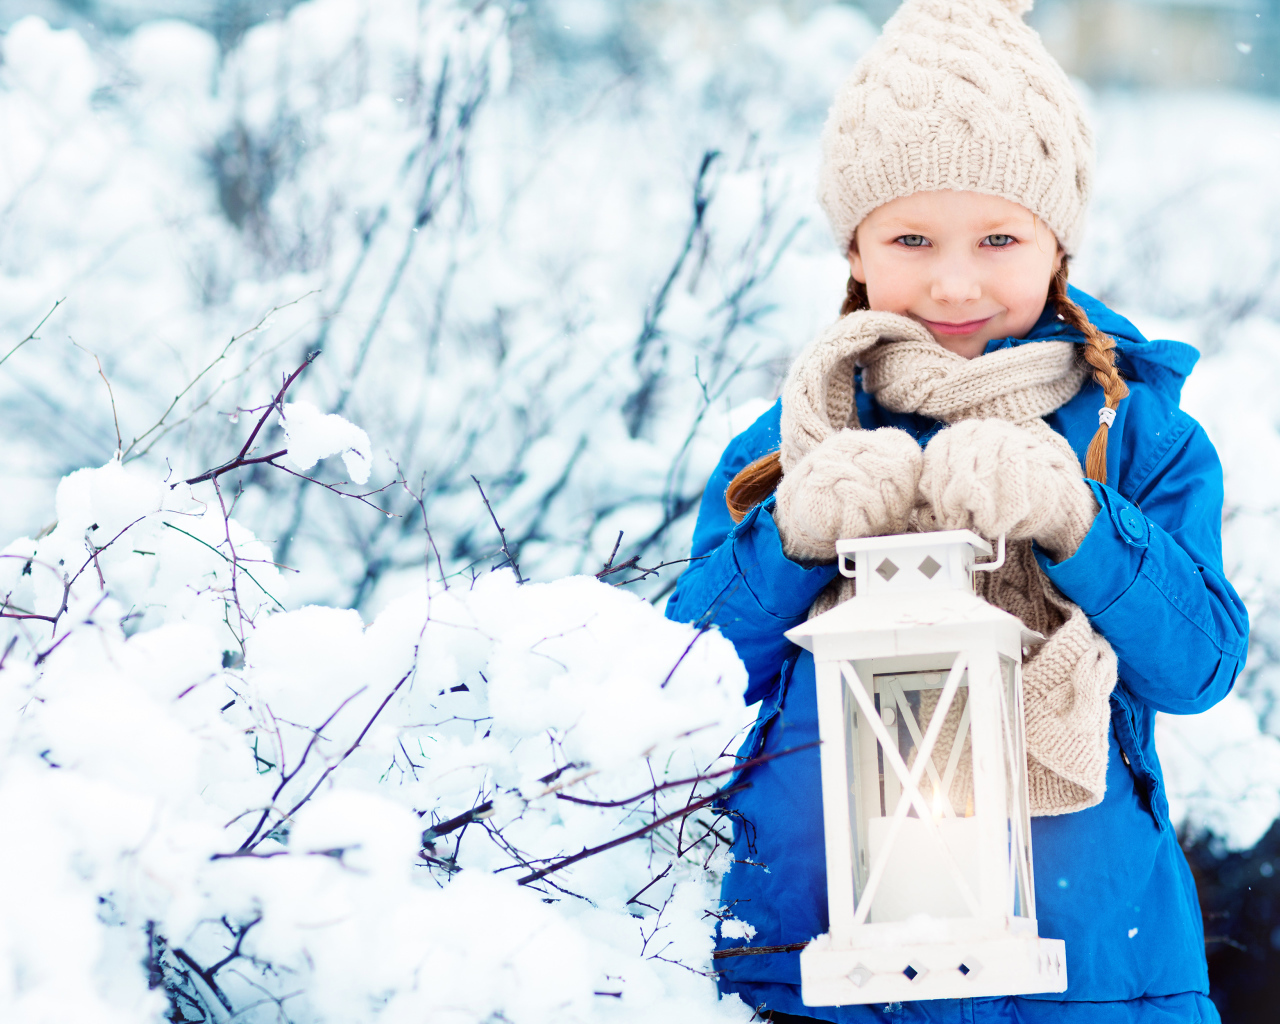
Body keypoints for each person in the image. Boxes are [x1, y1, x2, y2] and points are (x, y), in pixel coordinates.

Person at [662, 0, 1250, 1021]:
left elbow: (1197, 665)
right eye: (910, 235)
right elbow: (683, 689)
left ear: (1054, 244)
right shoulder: (786, 442)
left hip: (1087, 977)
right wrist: (790, 537)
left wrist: (1080, 522)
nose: (952, 278)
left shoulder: (1137, 434)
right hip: (820, 975)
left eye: (995, 236)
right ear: (853, 247)